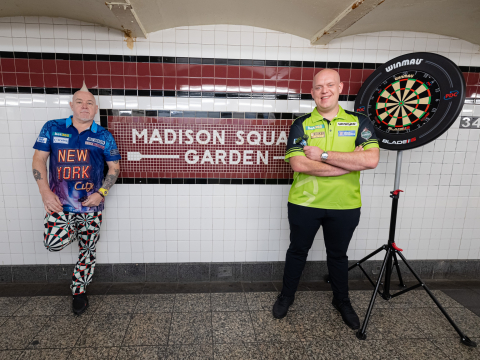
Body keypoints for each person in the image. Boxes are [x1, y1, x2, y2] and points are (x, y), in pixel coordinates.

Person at [272, 69, 380, 329]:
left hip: (345, 205)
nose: (324, 91)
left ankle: (341, 300)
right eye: (319, 87)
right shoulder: (301, 124)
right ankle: (287, 296)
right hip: (304, 203)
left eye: (329, 85)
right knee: (297, 252)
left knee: (338, 256)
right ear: (313, 93)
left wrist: (321, 155)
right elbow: (299, 164)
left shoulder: (360, 122)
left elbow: (371, 160)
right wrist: (348, 164)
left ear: (340, 87)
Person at [32, 83, 121, 315]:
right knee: (52, 243)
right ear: (71, 105)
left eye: (89, 103)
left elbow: (114, 168)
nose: (84, 106)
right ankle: (72, 230)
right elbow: (38, 160)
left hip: (91, 207)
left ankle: (79, 290)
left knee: (88, 248)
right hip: (59, 205)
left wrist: (101, 193)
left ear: (95, 108)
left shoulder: (104, 135)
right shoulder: (52, 128)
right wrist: (44, 191)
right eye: (80, 102)